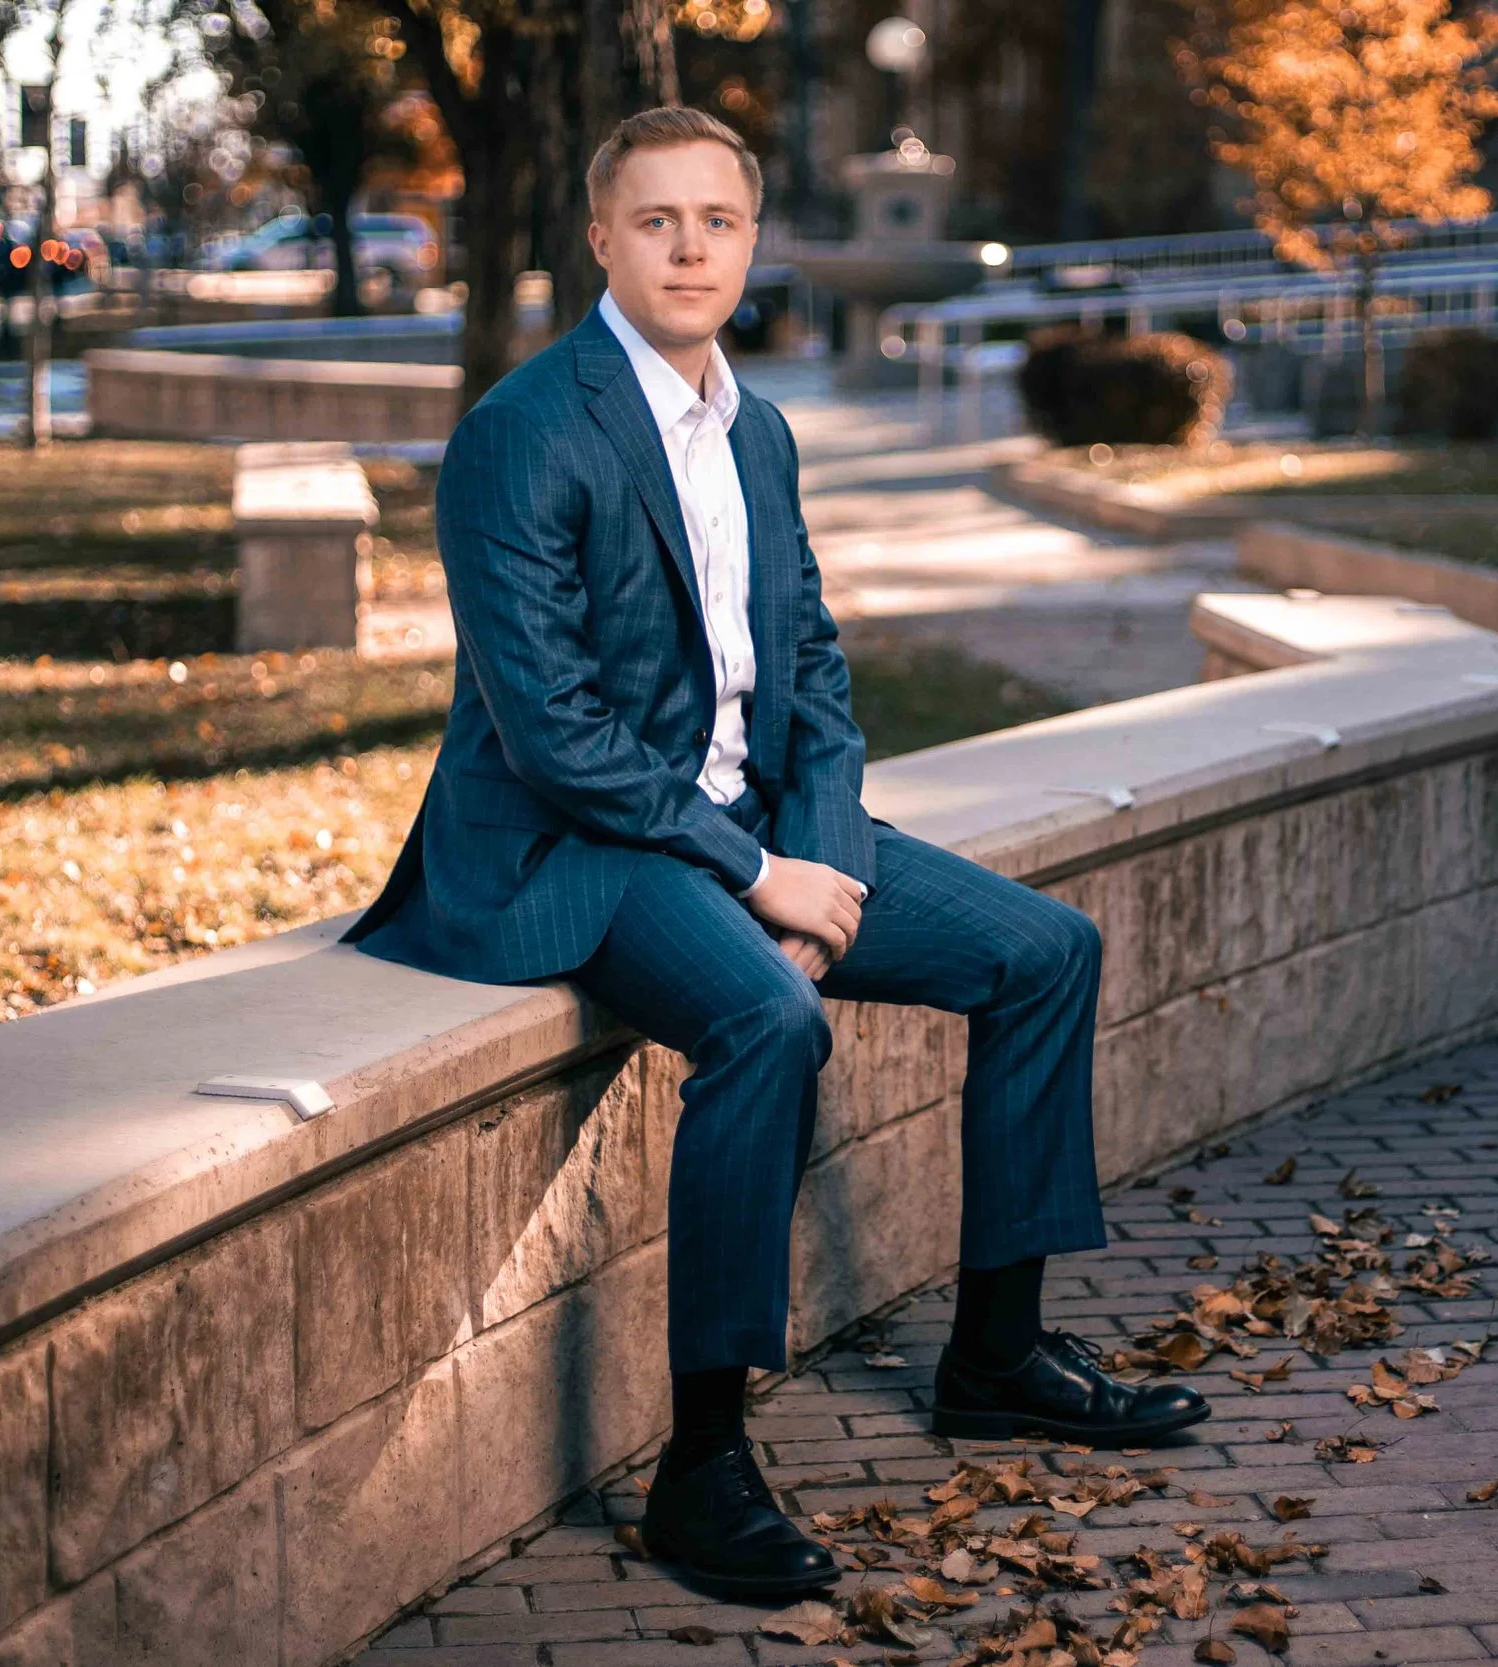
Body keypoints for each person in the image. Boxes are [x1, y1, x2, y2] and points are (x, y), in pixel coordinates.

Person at [343, 107, 1207, 1600]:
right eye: (657, 220)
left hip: (746, 830)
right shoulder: (521, 432)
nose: (690, 247)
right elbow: (551, 730)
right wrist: (757, 887)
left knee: (1045, 952)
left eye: (718, 221)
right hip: (572, 848)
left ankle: (997, 1352)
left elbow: (811, 666)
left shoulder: (757, 426)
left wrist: (815, 859)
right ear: (601, 239)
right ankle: (702, 1466)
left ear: (753, 242)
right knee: (767, 1019)